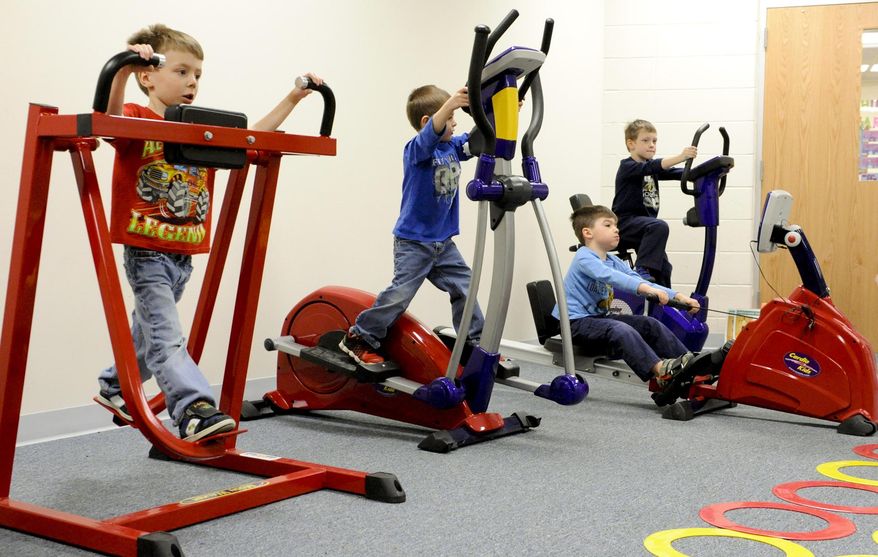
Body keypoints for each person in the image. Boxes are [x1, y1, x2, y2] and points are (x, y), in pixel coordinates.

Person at [94, 23, 323, 441]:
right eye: (181, 72)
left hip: (183, 256)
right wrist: (125, 67)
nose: (192, 82)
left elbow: (250, 137)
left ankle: (115, 385)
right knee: (166, 336)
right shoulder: (137, 118)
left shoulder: (201, 130)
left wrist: (293, 98)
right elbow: (106, 119)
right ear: (149, 76)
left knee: (148, 333)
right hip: (146, 250)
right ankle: (193, 408)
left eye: (197, 74)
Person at [338, 85, 484, 364]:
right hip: (414, 242)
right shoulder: (417, 150)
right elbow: (430, 135)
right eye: (451, 119)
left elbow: (479, 140)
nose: (455, 124)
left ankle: (472, 343)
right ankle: (359, 336)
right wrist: (451, 103)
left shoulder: (452, 146)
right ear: (428, 123)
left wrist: (505, 111)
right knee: (400, 295)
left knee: (467, 288)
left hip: (444, 243)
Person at [553, 204, 701, 388]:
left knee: (649, 324)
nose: (616, 229)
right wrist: (645, 289)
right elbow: (610, 276)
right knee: (619, 329)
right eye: (608, 225)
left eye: (616, 225)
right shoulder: (584, 257)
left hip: (599, 319)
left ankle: (692, 366)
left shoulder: (613, 260)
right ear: (587, 233)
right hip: (574, 324)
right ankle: (662, 371)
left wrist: (679, 297)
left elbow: (636, 279)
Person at [612, 119, 696, 287]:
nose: (652, 145)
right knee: (659, 226)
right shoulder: (628, 166)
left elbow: (678, 173)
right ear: (631, 144)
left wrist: (708, 172)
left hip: (643, 228)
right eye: (645, 141)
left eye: (654, 141)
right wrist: (681, 157)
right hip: (626, 224)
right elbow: (656, 166)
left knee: (664, 268)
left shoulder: (650, 166)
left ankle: (661, 305)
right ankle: (641, 270)